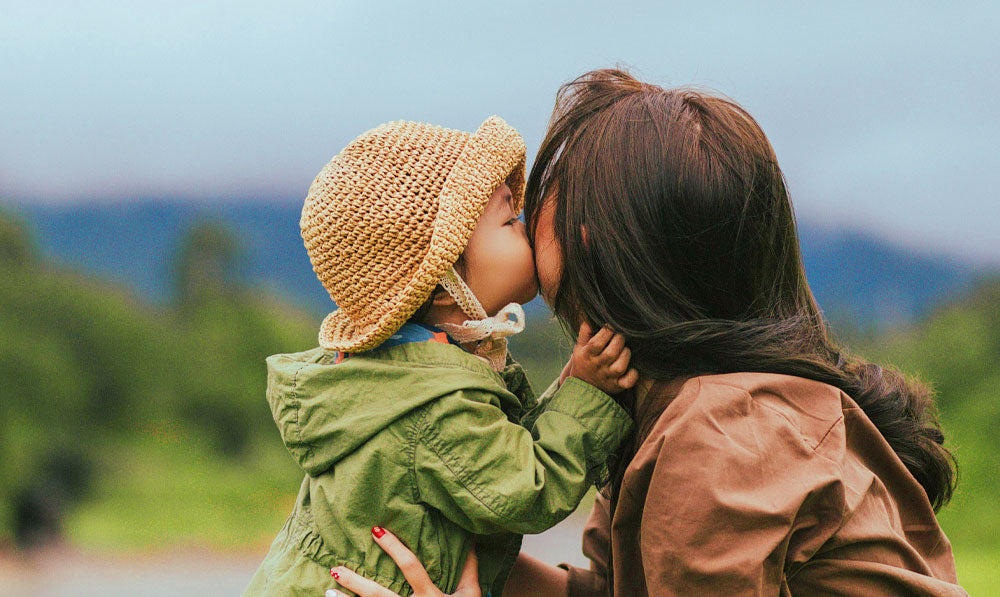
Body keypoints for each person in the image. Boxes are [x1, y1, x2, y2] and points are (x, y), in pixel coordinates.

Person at [328, 70, 968, 596]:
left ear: (594, 235)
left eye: (544, 197)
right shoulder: (677, 402)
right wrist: (450, 558)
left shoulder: (719, 435)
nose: (526, 218)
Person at [242, 115, 639, 597]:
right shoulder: (434, 404)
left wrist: (571, 382)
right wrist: (589, 395)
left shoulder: (410, 372)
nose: (527, 227)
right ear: (446, 279)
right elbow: (527, 489)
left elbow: (502, 448)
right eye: (509, 219)